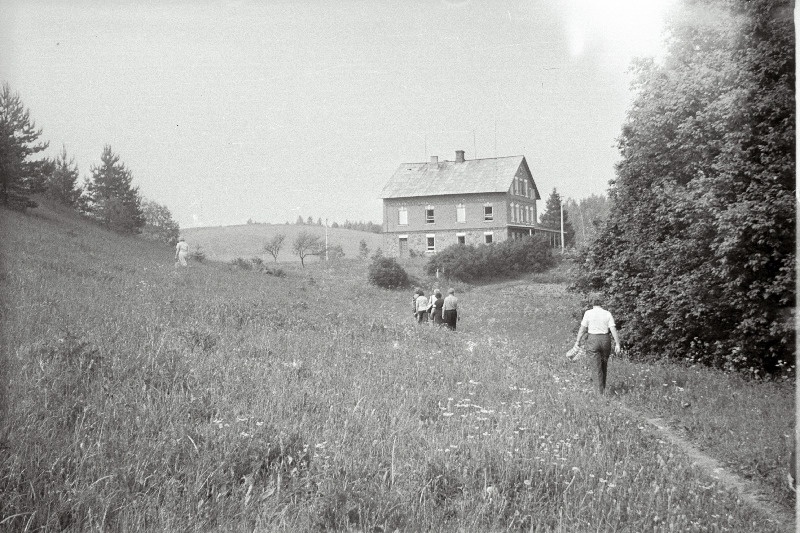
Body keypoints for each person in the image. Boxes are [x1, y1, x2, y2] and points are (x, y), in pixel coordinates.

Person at [573, 295, 621, 394]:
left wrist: (577, 341)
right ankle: (602, 389)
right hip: (605, 340)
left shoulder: (588, 313)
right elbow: (613, 329)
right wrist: (617, 344)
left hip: (593, 340)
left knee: (596, 367)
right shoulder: (607, 313)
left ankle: (600, 394)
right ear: (602, 302)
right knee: (603, 365)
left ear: (592, 302)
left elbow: (582, 329)